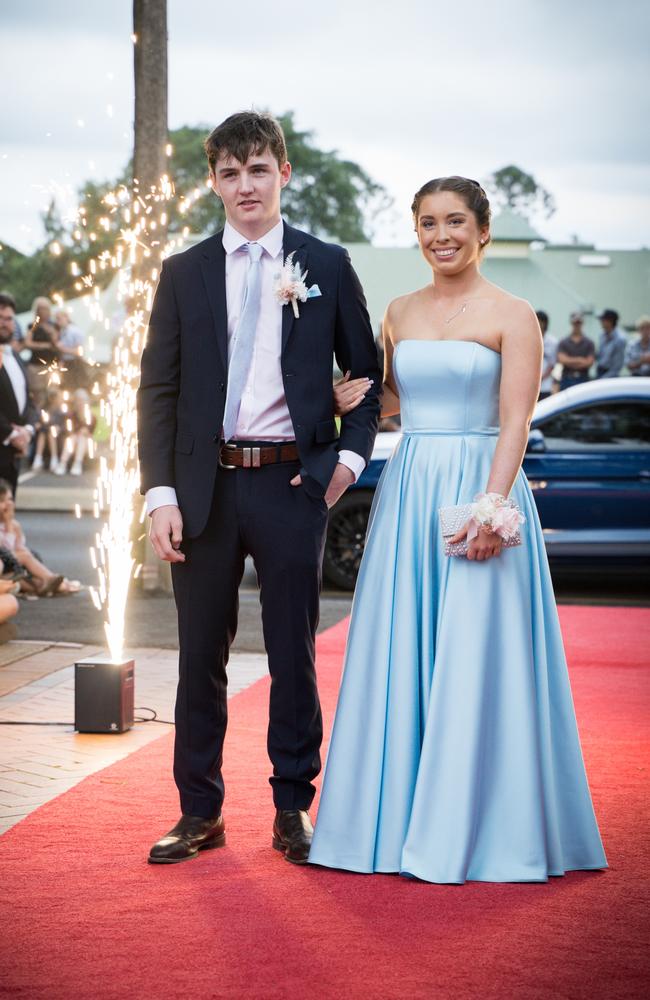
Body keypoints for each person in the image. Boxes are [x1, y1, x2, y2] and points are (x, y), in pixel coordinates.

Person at [309, 176, 606, 884]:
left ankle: (482, 826)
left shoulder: (514, 313)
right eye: (427, 223)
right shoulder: (399, 311)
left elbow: (516, 420)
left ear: (482, 231)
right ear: (416, 231)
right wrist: (338, 398)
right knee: (403, 649)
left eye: (454, 222)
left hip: (480, 484)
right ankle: (394, 820)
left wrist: (491, 509)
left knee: (479, 652)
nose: (440, 235)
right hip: (411, 487)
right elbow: (389, 399)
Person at [137, 111, 380, 866]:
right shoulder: (183, 273)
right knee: (198, 657)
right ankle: (199, 812)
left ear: (283, 173)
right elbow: (159, 391)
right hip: (203, 489)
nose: (246, 185)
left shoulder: (327, 264)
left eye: (259, 169)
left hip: (290, 486)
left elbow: (367, 382)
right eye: (231, 172)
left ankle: (289, 808)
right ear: (214, 182)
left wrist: (343, 469)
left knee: (292, 655)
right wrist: (160, 496)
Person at [0, 479, 78, 595]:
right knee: (24, 558)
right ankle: (49, 579)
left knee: (30, 557)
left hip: (12, 566)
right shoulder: (9, 524)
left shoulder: (14, 525)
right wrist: (8, 524)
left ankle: (48, 585)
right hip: (4, 562)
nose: (9, 504)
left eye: (10, 499)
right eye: (2, 501)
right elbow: (6, 550)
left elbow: (20, 547)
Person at [0, 292, 39, 496]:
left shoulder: (15, 355)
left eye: (8, 319)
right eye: (0, 318)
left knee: (7, 518)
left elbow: (29, 402)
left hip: (14, 457)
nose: (5, 324)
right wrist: (12, 433)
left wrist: (28, 431)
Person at [53, 388, 96, 476]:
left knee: (82, 438)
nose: (80, 403)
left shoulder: (91, 417)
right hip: (73, 440)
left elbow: (89, 432)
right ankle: (63, 463)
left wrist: (81, 432)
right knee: (72, 438)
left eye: (82, 401)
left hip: (85, 442)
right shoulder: (72, 415)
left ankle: (77, 463)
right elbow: (69, 430)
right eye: (78, 400)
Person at [557, 313, 595, 390]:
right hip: (566, 378)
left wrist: (569, 361)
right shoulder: (564, 342)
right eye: (575, 323)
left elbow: (590, 362)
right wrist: (580, 360)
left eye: (579, 323)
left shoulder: (589, 342)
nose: (577, 325)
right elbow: (562, 360)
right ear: (571, 323)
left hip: (583, 379)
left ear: (582, 323)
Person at [596, 308, 626, 378]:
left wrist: (603, 380)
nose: (601, 322)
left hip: (611, 376)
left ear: (610, 321)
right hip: (600, 371)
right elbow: (600, 356)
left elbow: (617, 366)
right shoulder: (602, 335)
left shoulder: (620, 339)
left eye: (603, 320)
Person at [536, 310, 558, 399]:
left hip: (545, 385)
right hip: (531, 384)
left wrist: (541, 377)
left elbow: (552, 364)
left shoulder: (552, 342)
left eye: (541, 321)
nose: (539, 324)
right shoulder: (528, 339)